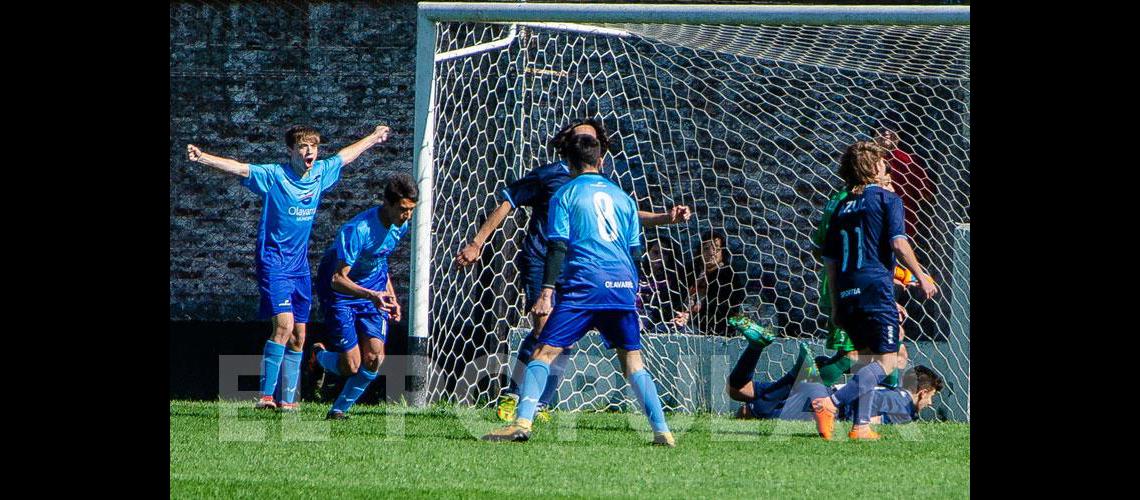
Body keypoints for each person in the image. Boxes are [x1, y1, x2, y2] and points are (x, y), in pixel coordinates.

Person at [454, 118, 690, 422]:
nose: (586, 145)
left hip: (584, 270)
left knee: (558, 337)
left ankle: (539, 402)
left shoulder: (603, 185)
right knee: (545, 328)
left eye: (592, 141)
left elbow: (626, 214)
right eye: (581, 140)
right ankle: (516, 395)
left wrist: (663, 218)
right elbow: (508, 200)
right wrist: (477, 243)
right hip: (544, 261)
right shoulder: (551, 177)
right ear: (570, 147)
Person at [187, 124, 391, 411]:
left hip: (300, 267)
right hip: (273, 262)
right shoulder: (275, 176)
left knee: (299, 335)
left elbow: (346, 156)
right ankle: (265, 396)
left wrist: (373, 137)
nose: (310, 152)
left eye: (314, 147)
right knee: (282, 326)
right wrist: (203, 157)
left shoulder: (320, 173)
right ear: (292, 151)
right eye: (303, 147)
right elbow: (240, 168)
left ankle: (289, 401)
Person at [811, 140, 938, 441]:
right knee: (887, 361)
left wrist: (835, 303)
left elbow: (828, 257)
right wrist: (921, 276)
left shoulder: (840, 204)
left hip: (845, 288)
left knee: (866, 359)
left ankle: (861, 426)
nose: (887, 165)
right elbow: (898, 243)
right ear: (873, 167)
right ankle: (830, 402)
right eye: (883, 161)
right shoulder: (886, 198)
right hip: (874, 286)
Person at [309, 173, 418, 420]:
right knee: (351, 365)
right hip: (342, 292)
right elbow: (338, 279)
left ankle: (338, 411)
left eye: (411, 210)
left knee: (375, 358)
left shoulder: (400, 225)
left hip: (373, 292)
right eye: (403, 209)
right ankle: (318, 356)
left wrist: (390, 296)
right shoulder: (358, 230)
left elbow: (380, 261)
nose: (407, 216)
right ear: (387, 204)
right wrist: (372, 295)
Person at [726, 332, 943, 425]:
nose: (930, 403)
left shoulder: (889, 386)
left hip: (824, 390)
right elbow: (871, 420)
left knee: (738, 391)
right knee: (746, 408)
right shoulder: (903, 410)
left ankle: (755, 347)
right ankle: (797, 374)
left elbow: (895, 358)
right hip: (822, 405)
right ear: (922, 392)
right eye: (931, 397)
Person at [674, 230, 746, 337]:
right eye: (707, 248)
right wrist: (679, 314)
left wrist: (691, 317)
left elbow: (722, 308)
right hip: (681, 320)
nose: (712, 252)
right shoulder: (690, 271)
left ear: (723, 252)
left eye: (716, 248)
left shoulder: (728, 276)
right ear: (700, 251)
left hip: (712, 329)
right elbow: (675, 295)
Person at [874, 128, 933, 240]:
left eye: (891, 129)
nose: (887, 133)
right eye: (881, 129)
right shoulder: (866, 159)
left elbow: (926, 193)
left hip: (903, 223)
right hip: (875, 220)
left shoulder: (907, 160)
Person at [638, 237, 691, 332]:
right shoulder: (637, 274)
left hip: (661, 320)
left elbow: (677, 306)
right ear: (647, 253)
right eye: (655, 252)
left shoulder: (674, 279)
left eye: (665, 253)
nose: (660, 257)